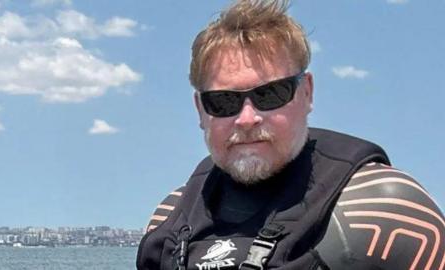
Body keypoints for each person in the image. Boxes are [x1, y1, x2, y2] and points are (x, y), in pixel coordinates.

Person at [137, 0, 445, 269]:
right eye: (224, 102)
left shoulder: (385, 208)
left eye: (270, 94)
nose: (246, 119)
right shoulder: (170, 219)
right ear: (200, 110)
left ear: (307, 92)